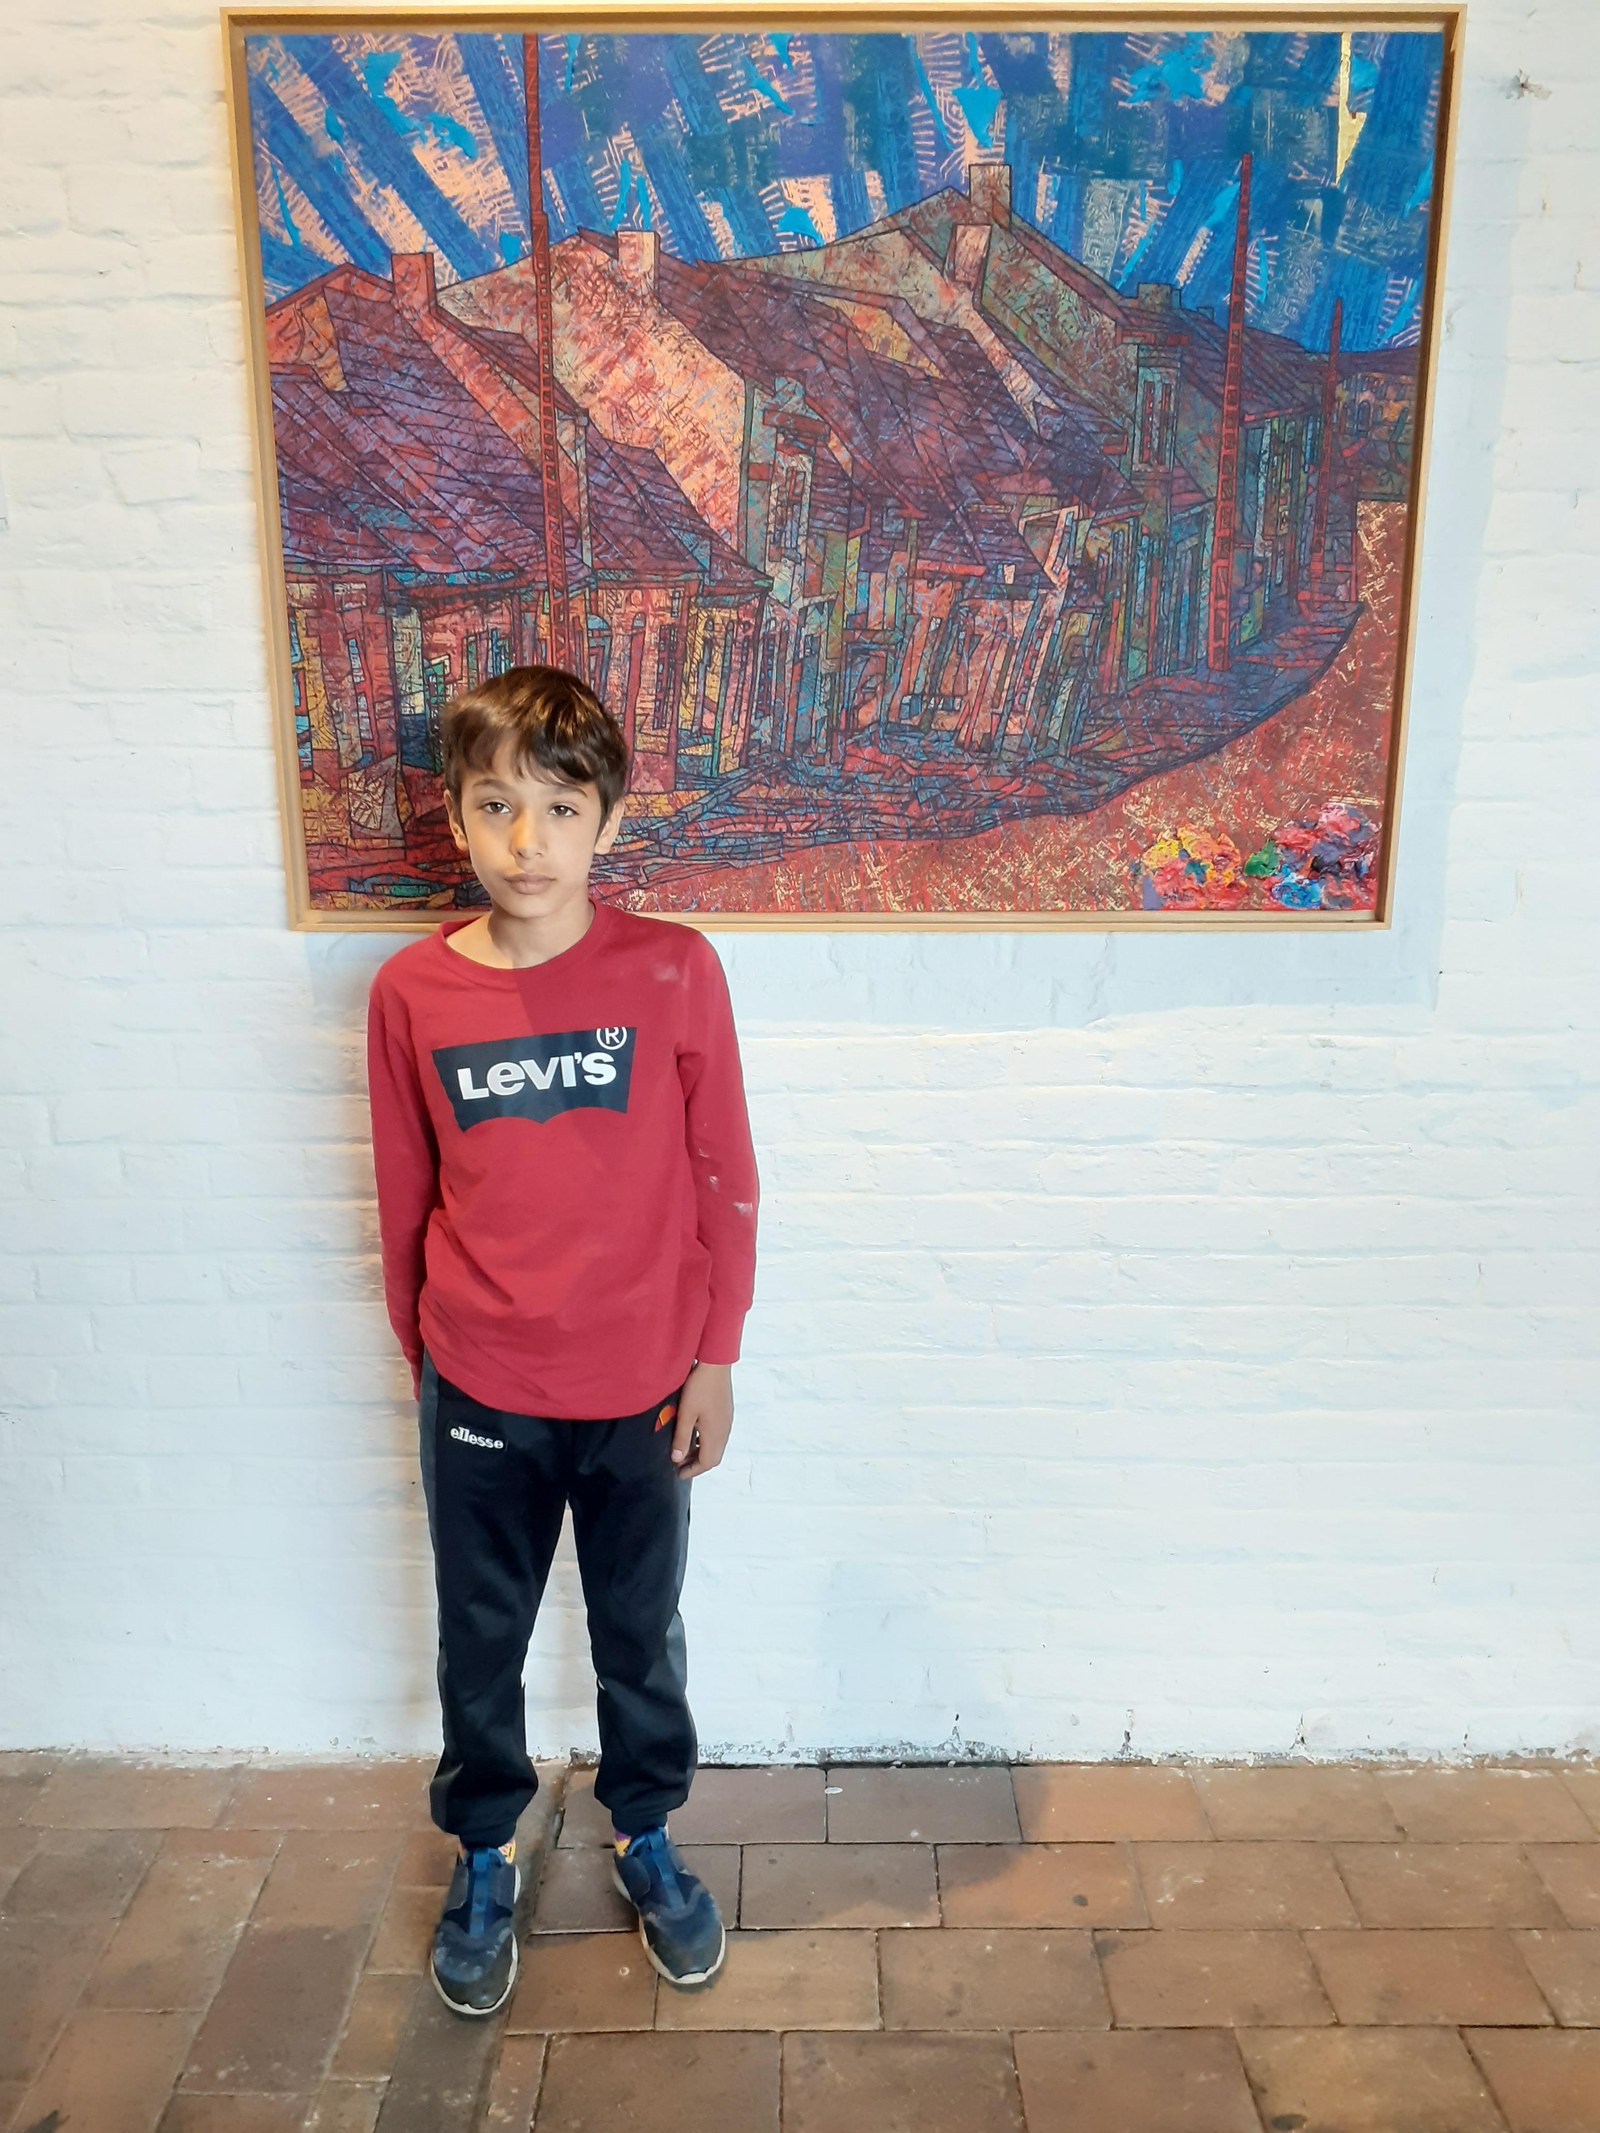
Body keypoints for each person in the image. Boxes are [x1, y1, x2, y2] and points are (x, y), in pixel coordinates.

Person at [364, 664, 759, 2017]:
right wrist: (431, 1366)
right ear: (456, 818)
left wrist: (716, 1355)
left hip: (644, 1380)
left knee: (638, 1632)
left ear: (609, 821)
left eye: (561, 808)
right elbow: (403, 1196)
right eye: (496, 806)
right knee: (481, 1637)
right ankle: (484, 1849)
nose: (528, 842)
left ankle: (645, 1831)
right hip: (481, 1380)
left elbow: (723, 1173)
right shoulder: (411, 992)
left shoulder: (674, 970)